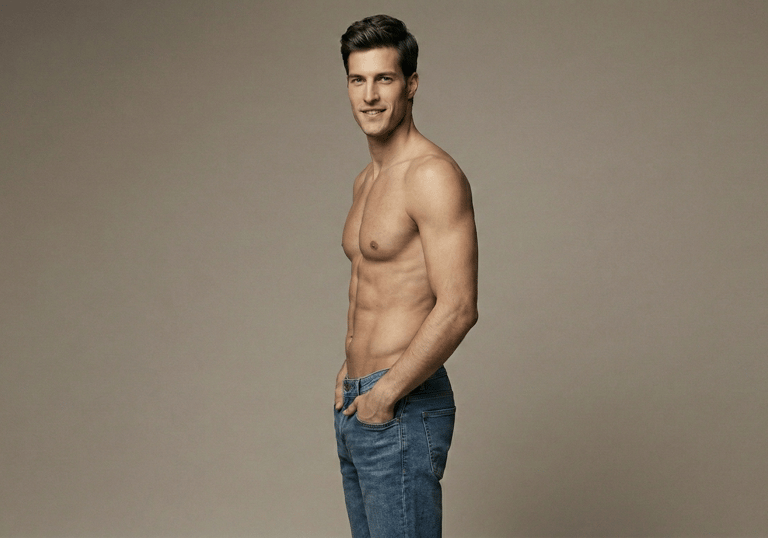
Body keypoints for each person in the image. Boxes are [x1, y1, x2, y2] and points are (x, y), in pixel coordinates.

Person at [332, 14, 479, 538]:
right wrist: (351, 378)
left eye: (384, 79)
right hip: (360, 402)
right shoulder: (366, 180)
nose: (369, 95)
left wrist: (385, 393)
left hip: (400, 403)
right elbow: (375, 289)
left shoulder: (431, 175)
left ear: (411, 84)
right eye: (358, 79)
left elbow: (458, 307)